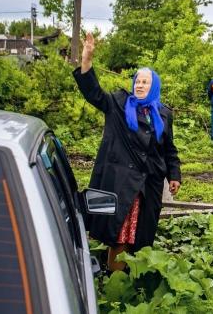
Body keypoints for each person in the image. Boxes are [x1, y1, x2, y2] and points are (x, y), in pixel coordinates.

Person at [73, 33, 182, 272]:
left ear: (154, 86)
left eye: (145, 82)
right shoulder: (118, 104)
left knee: (142, 233)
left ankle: (134, 277)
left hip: (149, 184)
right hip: (121, 181)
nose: (140, 85)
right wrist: (87, 60)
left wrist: (174, 175)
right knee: (119, 233)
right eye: (137, 81)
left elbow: (169, 148)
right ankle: (114, 279)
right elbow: (94, 94)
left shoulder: (163, 113)